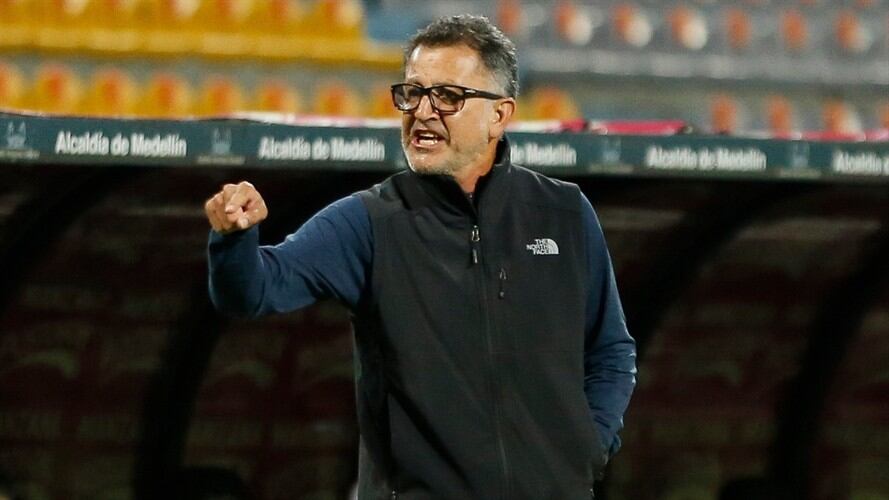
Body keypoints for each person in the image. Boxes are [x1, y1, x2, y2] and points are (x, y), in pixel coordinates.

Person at [205, 15, 636, 500]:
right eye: (412, 93)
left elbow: (611, 351)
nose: (423, 111)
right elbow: (255, 290)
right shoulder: (368, 222)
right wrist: (234, 239)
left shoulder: (563, 213)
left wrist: (587, 447)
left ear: (500, 114)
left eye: (448, 96)